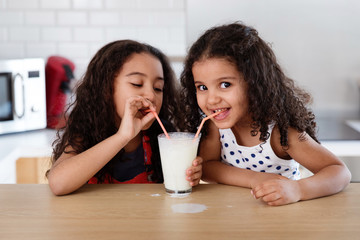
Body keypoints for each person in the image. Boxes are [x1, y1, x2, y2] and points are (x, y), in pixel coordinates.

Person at [180, 22, 351, 206]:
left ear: (254, 82)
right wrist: (254, 179)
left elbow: (339, 171)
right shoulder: (216, 125)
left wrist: (298, 189)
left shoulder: (280, 133)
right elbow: (208, 166)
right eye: (202, 87)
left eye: (225, 84)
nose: (211, 99)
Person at [47, 40, 202, 195]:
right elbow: (58, 184)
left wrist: (190, 175)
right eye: (137, 84)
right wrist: (123, 136)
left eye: (158, 88)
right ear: (106, 89)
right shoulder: (86, 131)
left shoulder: (163, 135)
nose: (151, 95)